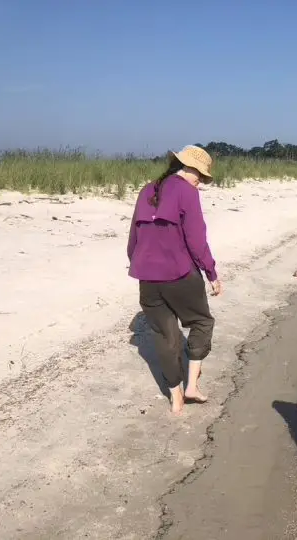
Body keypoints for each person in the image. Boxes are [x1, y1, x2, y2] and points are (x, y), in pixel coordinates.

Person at [127, 145, 222, 415]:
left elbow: (133, 240)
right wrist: (211, 273)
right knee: (202, 321)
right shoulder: (187, 192)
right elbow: (196, 239)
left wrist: (141, 264)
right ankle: (191, 386)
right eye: (200, 176)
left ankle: (176, 396)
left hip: (146, 277)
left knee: (166, 336)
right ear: (189, 168)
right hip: (178, 273)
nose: (201, 182)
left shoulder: (147, 189)